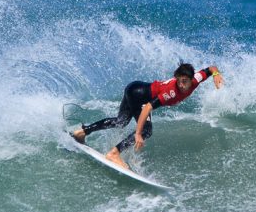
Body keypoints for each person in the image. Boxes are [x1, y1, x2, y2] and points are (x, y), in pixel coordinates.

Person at [72, 63, 224, 169]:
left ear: (192, 79)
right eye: (179, 81)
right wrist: (138, 134)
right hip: (138, 95)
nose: (181, 85)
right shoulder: (171, 92)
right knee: (146, 130)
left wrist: (216, 74)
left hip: (133, 87)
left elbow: (210, 69)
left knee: (121, 121)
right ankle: (114, 153)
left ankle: (82, 132)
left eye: (184, 82)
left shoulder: (196, 78)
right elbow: (148, 108)